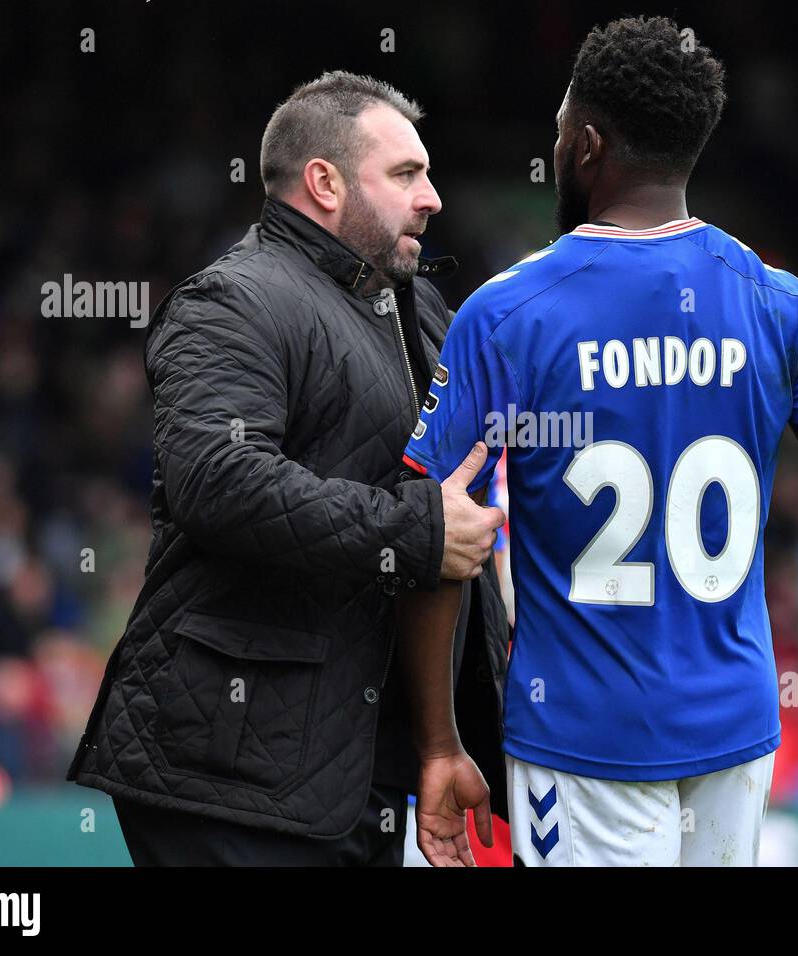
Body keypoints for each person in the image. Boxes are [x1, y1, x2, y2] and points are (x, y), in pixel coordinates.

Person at [397, 17, 798, 866]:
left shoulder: (506, 315)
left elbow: (432, 531)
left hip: (584, 741)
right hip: (736, 733)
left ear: (588, 144)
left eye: (563, 127)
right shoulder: (776, 302)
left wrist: (438, 745)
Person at [65, 72, 510, 866]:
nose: (433, 197)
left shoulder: (419, 311)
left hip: (351, 775)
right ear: (325, 183)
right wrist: (414, 531)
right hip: (227, 776)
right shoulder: (232, 300)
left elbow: (451, 528)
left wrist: (444, 742)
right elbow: (218, 479)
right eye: (406, 174)